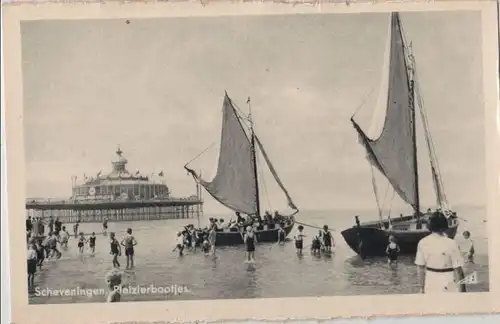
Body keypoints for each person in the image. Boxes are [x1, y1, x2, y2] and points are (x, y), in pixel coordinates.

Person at [415, 212, 466, 293]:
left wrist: (421, 288)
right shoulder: (452, 243)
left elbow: (420, 269)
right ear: (445, 225)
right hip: (449, 281)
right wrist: (463, 291)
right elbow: (459, 271)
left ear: (429, 225)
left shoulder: (422, 243)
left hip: (430, 282)